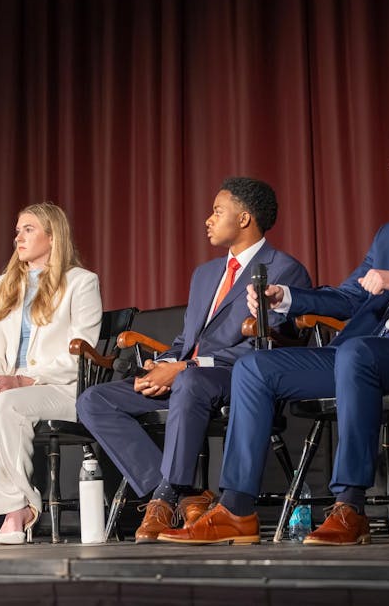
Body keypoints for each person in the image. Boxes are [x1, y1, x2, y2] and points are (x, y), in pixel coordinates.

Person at [158, 113, 389, 545]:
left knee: (357, 353)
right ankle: (236, 509)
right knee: (254, 367)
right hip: (359, 353)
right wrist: (285, 298)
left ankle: (350, 506)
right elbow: (348, 297)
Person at [76, 177, 311, 542]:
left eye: (218, 211)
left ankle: (165, 497)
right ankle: (183, 493)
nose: (208, 219)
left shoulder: (283, 269)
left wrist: (184, 368)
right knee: (93, 400)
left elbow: (266, 345)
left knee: (188, 381)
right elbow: (187, 340)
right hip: (187, 379)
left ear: (245, 218)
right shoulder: (204, 275)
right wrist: (162, 364)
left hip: (238, 379)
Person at [0, 202, 102, 544]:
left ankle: (17, 514)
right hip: (12, 387)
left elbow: (81, 353)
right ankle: (18, 503)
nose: (19, 237)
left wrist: (22, 380)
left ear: (52, 235)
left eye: (28, 229)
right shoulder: (5, 285)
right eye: (17, 230)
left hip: (59, 388)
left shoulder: (80, 283)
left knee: (5, 406)